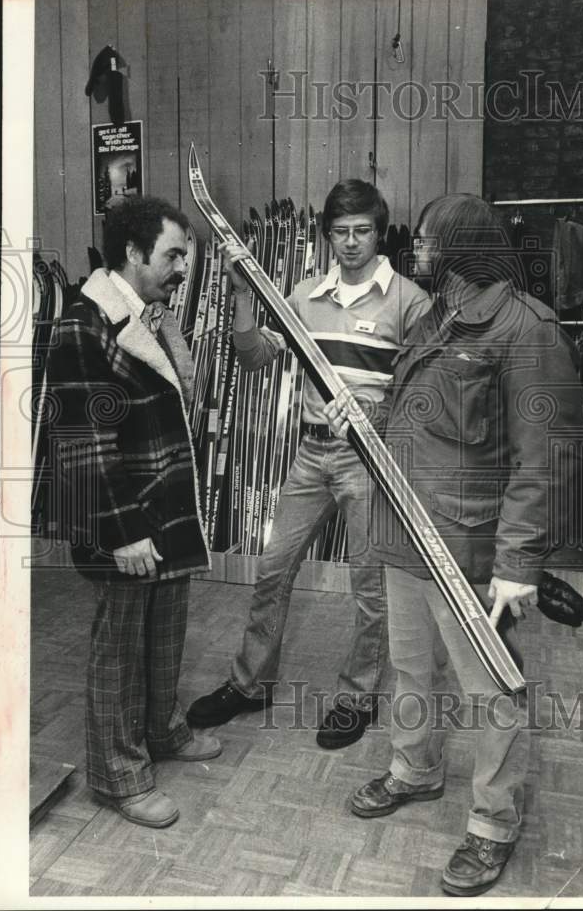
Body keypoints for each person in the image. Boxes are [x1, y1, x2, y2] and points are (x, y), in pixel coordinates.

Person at [325, 193, 583, 896]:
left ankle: (494, 821)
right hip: (407, 530)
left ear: (466, 245)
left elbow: (549, 456)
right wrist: (364, 415)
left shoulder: (527, 330)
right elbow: (424, 412)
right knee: (412, 670)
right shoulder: (440, 314)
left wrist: (519, 564)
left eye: (433, 240)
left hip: (468, 548)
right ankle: (415, 770)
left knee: (492, 688)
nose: (420, 249)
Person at [187, 179, 433, 748]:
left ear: (379, 232)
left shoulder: (408, 302)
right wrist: (244, 297)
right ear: (327, 236)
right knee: (273, 568)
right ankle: (250, 684)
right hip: (310, 453)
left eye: (363, 231)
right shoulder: (303, 296)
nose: (352, 243)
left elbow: (426, 395)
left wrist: (376, 408)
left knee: (370, 588)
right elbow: (253, 359)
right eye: (341, 232)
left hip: (369, 460)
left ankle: (357, 695)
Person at [47, 196, 221, 829]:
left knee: (165, 633)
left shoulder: (149, 315)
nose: (182, 267)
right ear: (132, 252)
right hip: (126, 521)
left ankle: (164, 731)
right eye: (173, 254)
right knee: (120, 648)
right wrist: (121, 532)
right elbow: (81, 444)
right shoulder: (83, 323)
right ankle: (119, 773)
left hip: (166, 507)